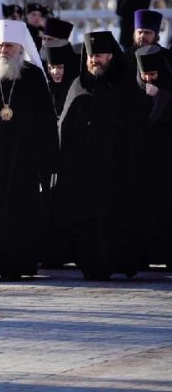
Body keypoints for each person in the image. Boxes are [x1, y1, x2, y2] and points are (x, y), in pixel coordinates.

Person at [0, 20, 59, 281]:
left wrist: (46, 163)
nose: (3, 51)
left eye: (8, 46)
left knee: (22, 214)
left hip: (24, 160)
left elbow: (46, 122)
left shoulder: (32, 77)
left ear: (20, 48)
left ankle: (22, 264)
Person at [55, 31, 142, 280]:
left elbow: (134, 128)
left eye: (100, 56)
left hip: (116, 167)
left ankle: (120, 261)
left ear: (111, 56)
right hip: (82, 169)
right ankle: (93, 265)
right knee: (87, 221)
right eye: (92, 56)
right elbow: (65, 126)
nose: (95, 61)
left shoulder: (125, 85)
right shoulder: (77, 85)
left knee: (115, 219)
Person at [131, 45, 172, 270]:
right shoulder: (133, 91)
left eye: (153, 75)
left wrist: (161, 97)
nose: (148, 79)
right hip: (141, 164)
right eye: (144, 74)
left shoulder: (167, 89)